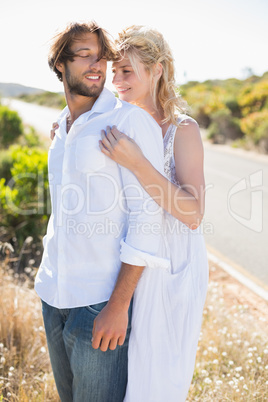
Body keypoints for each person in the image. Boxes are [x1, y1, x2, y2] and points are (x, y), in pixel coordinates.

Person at [35, 21, 170, 402]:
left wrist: (118, 305)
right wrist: (46, 289)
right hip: (53, 296)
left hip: (99, 305)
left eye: (101, 57)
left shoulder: (128, 121)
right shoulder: (61, 128)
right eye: (83, 56)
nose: (96, 66)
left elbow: (148, 218)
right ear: (60, 65)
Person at [99, 26, 209, 402]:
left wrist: (140, 163)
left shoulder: (183, 130)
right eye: (114, 72)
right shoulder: (119, 120)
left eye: (126, 71)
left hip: (172, 267)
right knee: (123, 375)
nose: (116, 80)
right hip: (130, 262)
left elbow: (194, 214)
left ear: (157, 70)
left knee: (157, 382)